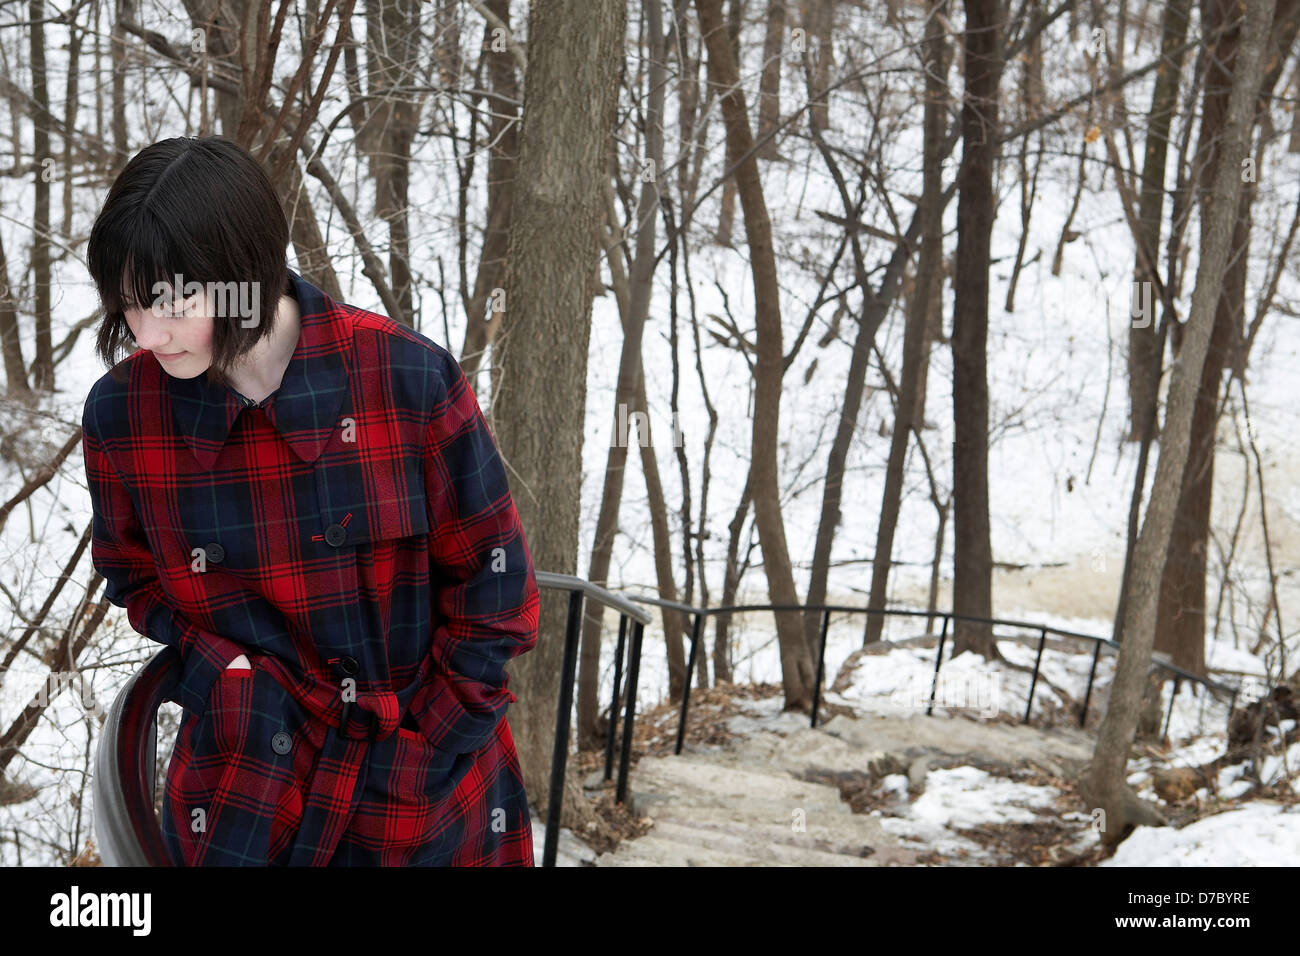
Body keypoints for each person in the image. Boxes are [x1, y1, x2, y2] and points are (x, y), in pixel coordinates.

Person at [81, 134, 540, 866]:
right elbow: (130, 574)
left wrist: (435, 737)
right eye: (131, 305)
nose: (148, 332)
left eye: (174, 302)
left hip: (426, 793)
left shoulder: (409, 380)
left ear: (246, 276)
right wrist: (220, 669)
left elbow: (494, 588)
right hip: (246, 789)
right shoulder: (122, 415)